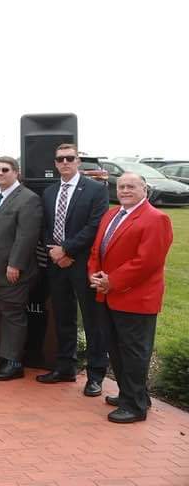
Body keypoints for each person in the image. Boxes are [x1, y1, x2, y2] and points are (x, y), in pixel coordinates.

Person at [89, 173, 173, 424]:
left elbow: (147, 262)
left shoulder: (156, 219)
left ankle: (135, 407)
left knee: (134, 353)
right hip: (107, 294)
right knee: (116, 349)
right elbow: (97, 250)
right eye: (121, 186)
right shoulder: (111, 214)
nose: (125, 190)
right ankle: (132, 394)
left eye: (131, 186)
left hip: (136, 298)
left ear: (144, 189)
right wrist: (94, 275)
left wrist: (112, 280)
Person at [37, 144, 110, 396]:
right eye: (60, 159)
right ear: (55, 163)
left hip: (82, 263)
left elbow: (94, 226)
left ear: (78, 161)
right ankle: (65, 367)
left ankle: (96, 375)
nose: (65, 162)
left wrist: (66, 250)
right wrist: (54, 252)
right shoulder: (48, 192)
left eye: (70, 158)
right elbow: (45, 226)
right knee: (63, 318)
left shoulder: (96, 190)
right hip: (57, 264)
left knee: (92, 320)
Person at [0, 156, 44, 381]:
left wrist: (15, 264)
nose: (0, 173)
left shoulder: (28, 199)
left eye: (5, 169)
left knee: (13, 315)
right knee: (2, 315)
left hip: (11, 271)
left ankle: (14, 363)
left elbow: (26, 236)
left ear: (16, 172)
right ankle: (5, 356)